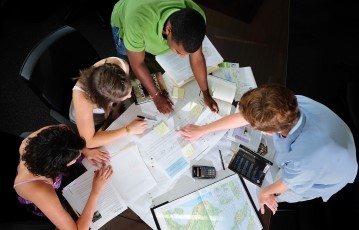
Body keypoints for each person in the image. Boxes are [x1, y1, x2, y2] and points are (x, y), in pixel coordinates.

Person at [178, 83, 358, 215]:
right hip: (335, 138)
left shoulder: (305, 161)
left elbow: (288, 182)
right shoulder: (291, 104)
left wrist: (265, 193)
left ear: (271, 132)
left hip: (327, 171)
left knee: (269, 192)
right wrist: (203, 129)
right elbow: (245, 117)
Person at [111, 0, 219, 114]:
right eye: (178, 51)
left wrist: (206, 93)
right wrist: (156, 97)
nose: (182, 58)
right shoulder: (137, 23)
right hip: (126, 21)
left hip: (148, 28)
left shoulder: (196, 18)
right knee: (126, 63)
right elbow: (137, 64)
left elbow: (197, 59)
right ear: (168, 30)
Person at [14, 124, 113, 230]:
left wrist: (85, 150)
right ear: (59, 168)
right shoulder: (39, 190)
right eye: (74, 158)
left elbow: (65, 128)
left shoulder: (53, 134)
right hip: (45, 197)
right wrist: (96, 190)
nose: (78, 157)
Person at [69, 57, 148, 149]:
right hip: (94, 120)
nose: (129, 96)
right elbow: (89, 142)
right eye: (124, 97)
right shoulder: (84, 101)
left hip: (112, 111)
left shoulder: (121, 65)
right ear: (104, 100)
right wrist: (128, 130)